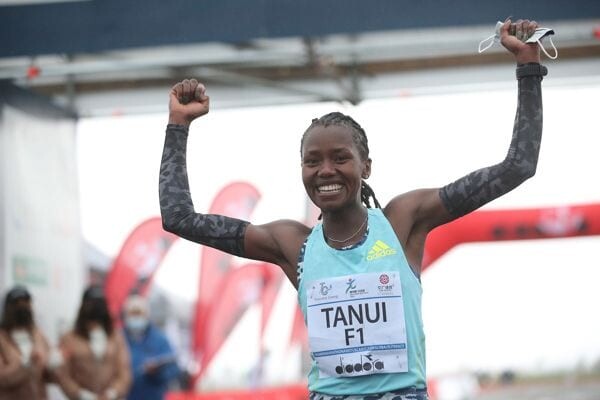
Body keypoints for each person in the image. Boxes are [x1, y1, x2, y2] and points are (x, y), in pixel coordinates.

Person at [159, 19, 546, 400]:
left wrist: (528, 66)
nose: (325, 170)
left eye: (340, 158)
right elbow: (180, 219)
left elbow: (518, 167)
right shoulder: (292, 244)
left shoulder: (403, 221)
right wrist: (178, 125)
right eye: (312, 161)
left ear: (366, 167)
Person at [55, 285, 131, 400]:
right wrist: (83, 395)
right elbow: (63, 374)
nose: (96, 309)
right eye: (91, 304)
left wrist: (111, 393)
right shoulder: (69, 338)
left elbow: (124, 372)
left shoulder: (115, 337)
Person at [122, 294, 179, 400]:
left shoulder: (160, 339)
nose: (136, 318)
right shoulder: (118, 338)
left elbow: (173, 368)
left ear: (146, 315)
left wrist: (157, 373)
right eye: (132, 314)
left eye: (139, 314)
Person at [0, 285, 52, 400]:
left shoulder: (38, 334)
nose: (23, 307)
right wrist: (26, 364)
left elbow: (48, 376)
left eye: (26, 302)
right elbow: (2, 378)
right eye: (18, 303)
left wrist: (54, 365)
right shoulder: (2, 338)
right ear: (8, 307)